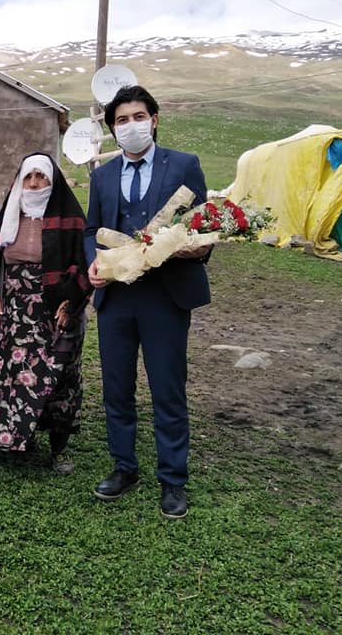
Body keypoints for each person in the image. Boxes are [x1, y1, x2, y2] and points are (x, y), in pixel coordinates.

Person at [84, 84, 212, 519]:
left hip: (165, 297)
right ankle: (124, 467)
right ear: (113, 129)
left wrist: (186, 247)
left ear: (153, 120)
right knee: (116, 389)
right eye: (121, 120)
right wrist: (92, 266)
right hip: (116, 300)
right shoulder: (101, 177)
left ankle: (172, 480)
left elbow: (205, 227)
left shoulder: (184, 165)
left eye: (138, 117)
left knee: (167, 389)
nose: (130, 126)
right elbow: (91, 231)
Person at [0, 153, 91, 474]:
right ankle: (16, 441)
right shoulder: (9, 217)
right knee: (13, 378)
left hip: (56, 313)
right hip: (14, 315)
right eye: (29, 177)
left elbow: (85, 264)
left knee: (58, 380)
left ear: (53, 183)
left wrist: (72, 301)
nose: (35, 183)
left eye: (42, 177)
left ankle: (59, 449)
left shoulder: (70, 220)